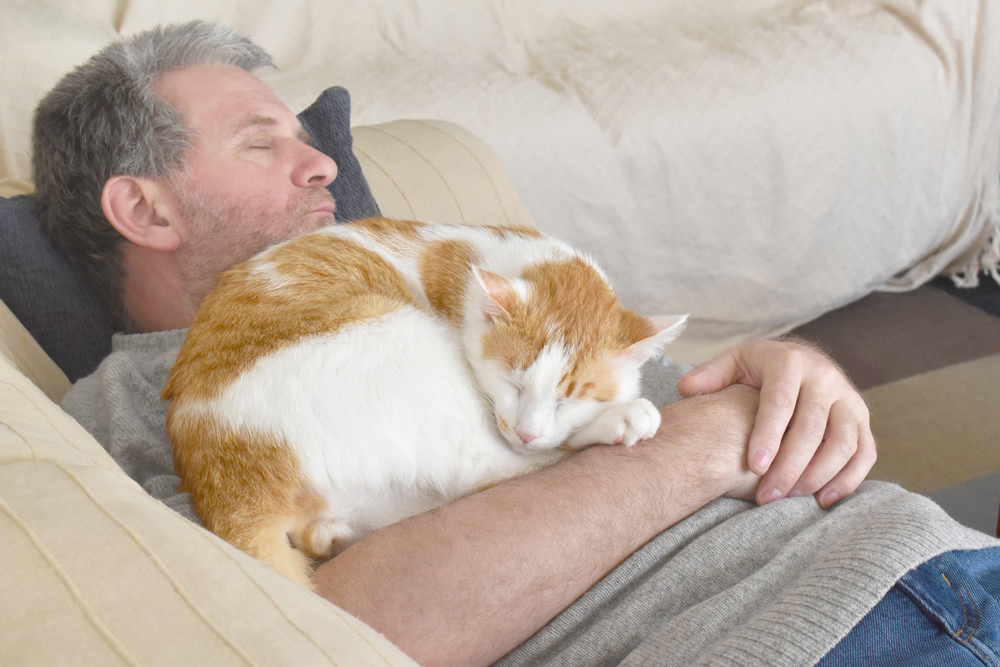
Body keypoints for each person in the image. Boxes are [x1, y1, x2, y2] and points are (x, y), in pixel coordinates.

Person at [34, 21, 999, 667]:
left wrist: (798, 377)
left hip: (926, 545)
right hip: (814, 631)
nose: (323, 159)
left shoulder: (457, 280)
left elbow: (668, 388)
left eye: (306, 135)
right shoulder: (115, 417)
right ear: (143, 206)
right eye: (261, 143)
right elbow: (332, 629)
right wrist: (709, 440)